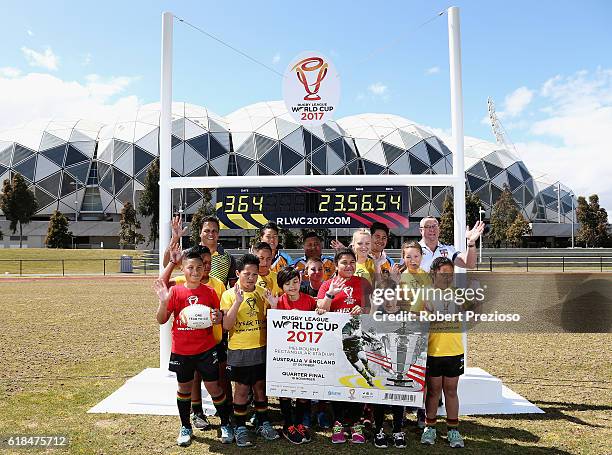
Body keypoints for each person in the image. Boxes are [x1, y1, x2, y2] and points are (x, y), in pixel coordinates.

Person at [153, 250, 232, 447]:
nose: (195, 271)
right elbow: (161, 319)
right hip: (182, 350)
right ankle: (186, 426)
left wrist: (218, 318)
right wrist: (163, 302)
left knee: (214, 387)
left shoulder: (211, 292)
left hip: (206, 349)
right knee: (184, 388)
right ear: (183, 269)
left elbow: (218, 317)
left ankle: (225, 423)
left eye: (199, 267)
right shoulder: (176, 291)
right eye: (190, 267)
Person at [221, 253, 280, 447]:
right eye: (246, 273)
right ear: (238, 273)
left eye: (254, 274)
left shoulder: (262, 292)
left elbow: (270, 321)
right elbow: (227, 326)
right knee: (242, 390)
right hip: (239, 350)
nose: (251, 278)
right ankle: (240, 426)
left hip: (261, 348)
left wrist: (273, 307)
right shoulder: (229, 295)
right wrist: (237, 302)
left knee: (260, 388)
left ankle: (263, 423)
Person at [316, 248, 372, 444]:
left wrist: (362, 309)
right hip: (334, 341)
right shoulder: (327, 284)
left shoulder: (363, 282)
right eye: (344, 262)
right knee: (337, 380)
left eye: (351, 262)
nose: (349, 266)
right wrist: (331, 294)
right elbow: (321, 310)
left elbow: (371, 309)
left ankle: (356, 422)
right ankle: (338, 422)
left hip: (356, 338)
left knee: (357, 378)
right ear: (336, 265)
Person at [420, 256, 474, 448]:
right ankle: (430, 427)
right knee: (433, 391)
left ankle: (453, 430)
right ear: (434, 274)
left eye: (451, 274)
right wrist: (426, 315)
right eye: (444, 274)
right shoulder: (426, 293)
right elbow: (415, 317)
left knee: (451, 391)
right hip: (433, 351)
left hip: (454, 350)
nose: (448, 277)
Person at [275, 267, 317, 444]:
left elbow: (319, 320)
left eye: (295, 282)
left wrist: (320, 311)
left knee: (303, 390)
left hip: (305, 354)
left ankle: (299, 423)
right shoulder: (278, 301)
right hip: (285, 354)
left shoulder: (309, 301)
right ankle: (288, 424)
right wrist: (272, 306)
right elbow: (272, 325)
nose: (292, 286)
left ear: (301, 281)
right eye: (287, 283)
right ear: (281, 286)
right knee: (284, 390)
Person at [370, 278, 407, 448]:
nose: (389, 300)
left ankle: (398, 429)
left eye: (392, 296)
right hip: (380, 364)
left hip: (399, 364)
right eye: (385, 296)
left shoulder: (405, 315)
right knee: (379, 397)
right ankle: (378, 429)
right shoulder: (376, 314)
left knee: (399, 396)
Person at [164, 215, 237, 287]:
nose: (211, 234)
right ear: (200, 233)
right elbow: (166, 264)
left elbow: (233, 287)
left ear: (218, 234)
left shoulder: (228, 258)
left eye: (214, 231)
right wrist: (174, 239)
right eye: (207, 231)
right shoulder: (188, 254)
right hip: (192, 297)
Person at [418, 216, 484, 272]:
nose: (432, 229)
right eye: (427, 226)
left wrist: (471, 243)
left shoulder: (449, 249)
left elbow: (470, 264)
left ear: (439, 229)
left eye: (434, 226)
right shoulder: (413, 249)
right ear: (421, 230)